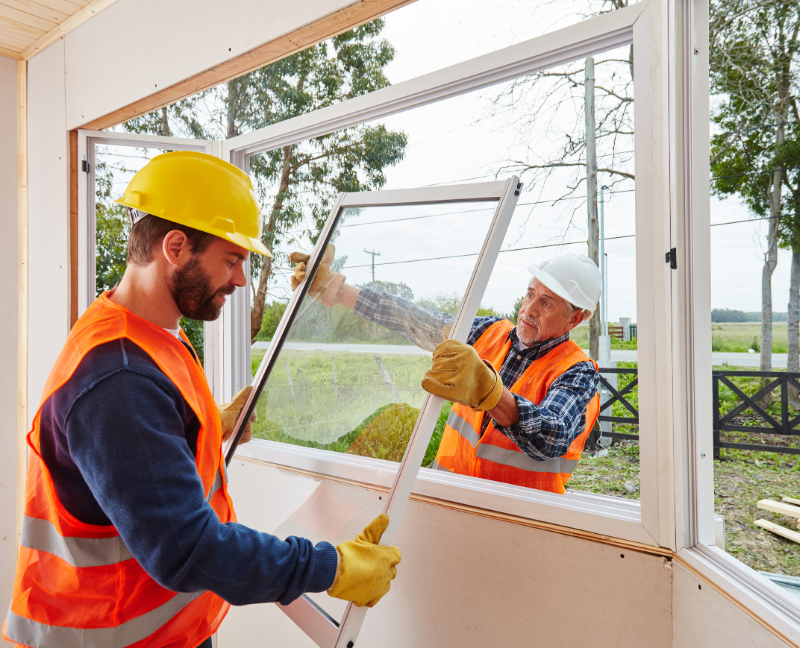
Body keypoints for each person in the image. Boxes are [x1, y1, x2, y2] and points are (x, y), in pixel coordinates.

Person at [4, 152, 400, 648]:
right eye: (231, 260)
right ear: (175, 246)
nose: (240, 280)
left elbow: (133, 455)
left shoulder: (147, 332)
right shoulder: (118, 378)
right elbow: (185, 548)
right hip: (108, 635)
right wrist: (330, 566)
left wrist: (206, 423)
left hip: (160, 627)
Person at [290, 247, 601, 494]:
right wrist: (336, 290)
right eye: (530, 293)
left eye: (546, 303)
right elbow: (415, 320)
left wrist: (490, 393)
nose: (529, 309)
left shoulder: (577, 372)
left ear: (575, 319)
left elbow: (552, 435)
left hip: (517, 522)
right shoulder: (487, 332)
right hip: (451, 497)